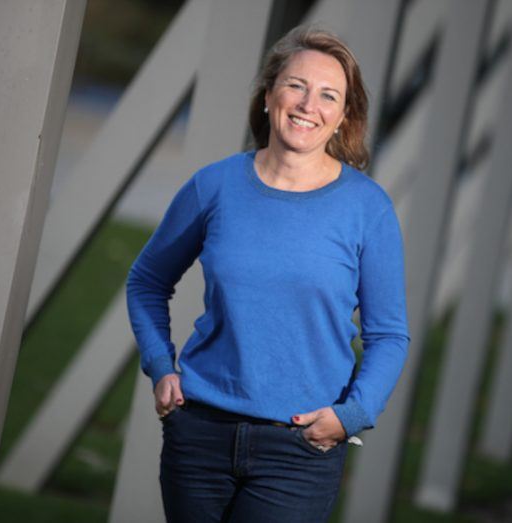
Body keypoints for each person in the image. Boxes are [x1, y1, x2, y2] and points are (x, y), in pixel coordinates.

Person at [126, 25, 409, 523]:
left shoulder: (368, 209)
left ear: (344, 116)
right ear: (269, 95)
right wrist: (159, 365)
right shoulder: (214, 186)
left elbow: (388, 334)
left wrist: (352, 416)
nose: (307, 105)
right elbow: (147, 282)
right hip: (199, 437)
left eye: (328, 95)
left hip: (301, 449)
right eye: (296, 85)